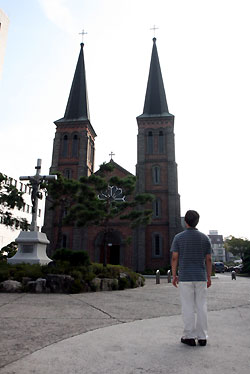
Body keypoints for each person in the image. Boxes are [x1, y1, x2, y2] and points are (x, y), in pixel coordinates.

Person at [171, 210, 212, 347]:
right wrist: (208, 276)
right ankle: (202, 337)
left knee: (188, 306)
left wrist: (174, 275)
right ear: (197, 221)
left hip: (185, 277)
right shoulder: (205, 238)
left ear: (185, 221)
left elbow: (175, 257)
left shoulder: (178, 237)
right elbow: (209, 259)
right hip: (200, 277)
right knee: (201, 306)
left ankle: (189, 336)